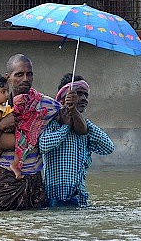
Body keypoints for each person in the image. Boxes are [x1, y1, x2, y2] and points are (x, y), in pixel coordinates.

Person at [0, 54, 47, 211]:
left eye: (29, 74)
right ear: (8, 77)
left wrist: (70, 106)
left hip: (35, 182)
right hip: (5, 181)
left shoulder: (43, 104)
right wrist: (0, 125)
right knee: (2, 227)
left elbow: (66, 118)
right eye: (19, 74)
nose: (25, 79)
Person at [39, 73, 115, 208]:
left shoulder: (85, 127)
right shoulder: (53, 123)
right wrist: (66, 127)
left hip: (79, 198)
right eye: (78, 94)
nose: (84, 99)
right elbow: (44, 145)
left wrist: (76, 114)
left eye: (86, 95)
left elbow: (108, 147)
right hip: (55, 198)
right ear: (64, 97)